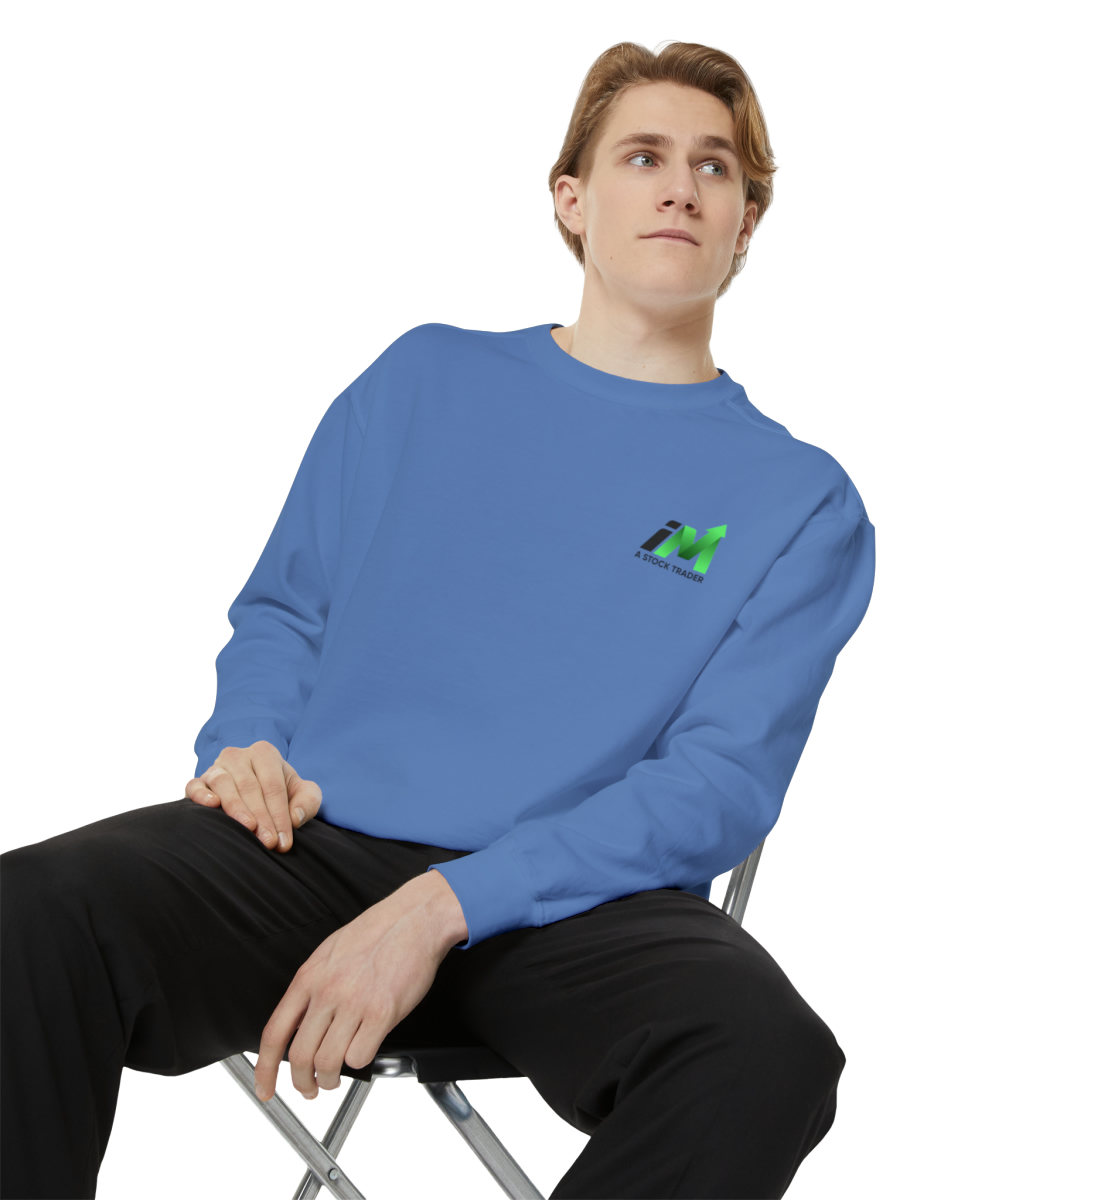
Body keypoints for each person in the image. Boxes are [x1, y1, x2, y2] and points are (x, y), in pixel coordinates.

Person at [0, 40, 875, 1200]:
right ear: (572, 198)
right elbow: (289, 608)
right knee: (27, 918)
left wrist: (447, 906)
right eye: (643, 156)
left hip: (580, 901)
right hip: (312, 851)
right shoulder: (423, 381)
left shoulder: (800, 500)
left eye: (714, 167)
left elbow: (715, 786)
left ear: (746, 222)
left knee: (765, 1057)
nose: (679, 187)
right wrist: (246, 744)